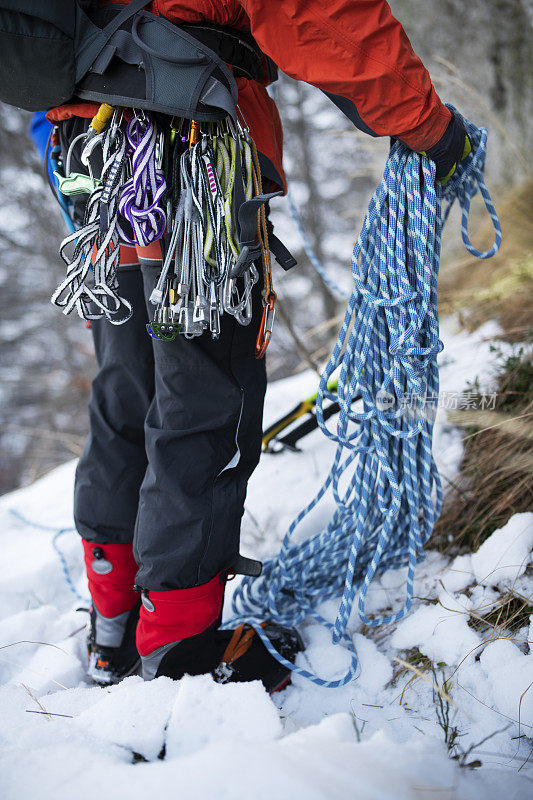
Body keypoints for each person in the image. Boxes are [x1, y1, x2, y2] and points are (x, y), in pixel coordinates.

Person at [46, 0, 468, 689]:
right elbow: (322, 15)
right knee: (204, 398)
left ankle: (115, 630)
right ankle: (176, 650)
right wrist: (428, 126)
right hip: (192, 156)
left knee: (131, 385)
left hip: (88, 155)